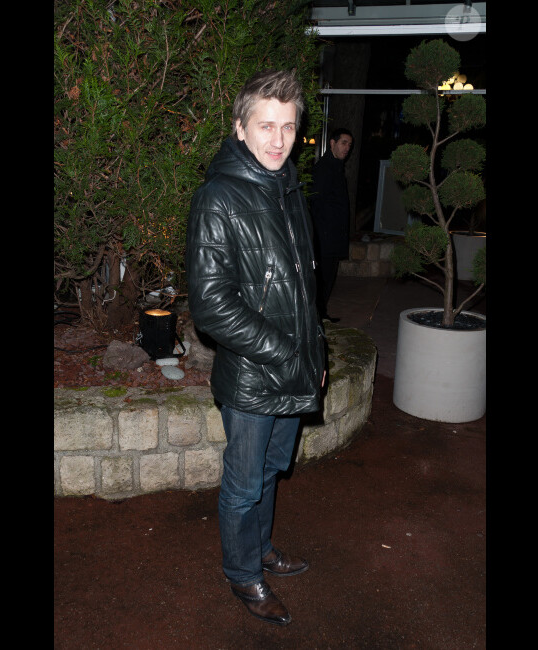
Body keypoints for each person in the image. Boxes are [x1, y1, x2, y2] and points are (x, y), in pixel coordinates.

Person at [185, 69, 326, 626]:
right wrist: (289, 354)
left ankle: (262, 549)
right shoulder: (218, 198)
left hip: (293, 365)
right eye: (265, 126)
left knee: (271, 471)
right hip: (251, 376)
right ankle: (243, 573)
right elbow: (213, 307)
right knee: (243, 485)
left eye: (287, 128)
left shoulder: (286, 185)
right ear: (240, 128)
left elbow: (305, 288)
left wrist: (313, 358)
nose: (277, 139)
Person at [308, 128, 354, 322]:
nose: (347, 148)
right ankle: (316, 318)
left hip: (332, 236)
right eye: (343, 143)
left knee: (328, 278)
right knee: (322, 279)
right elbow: (315, 203)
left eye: (349, 145)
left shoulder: (335, 167)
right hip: (325, 237)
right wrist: (316, 237)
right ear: (332, 144)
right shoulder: (324, 168)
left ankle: (321, 315)